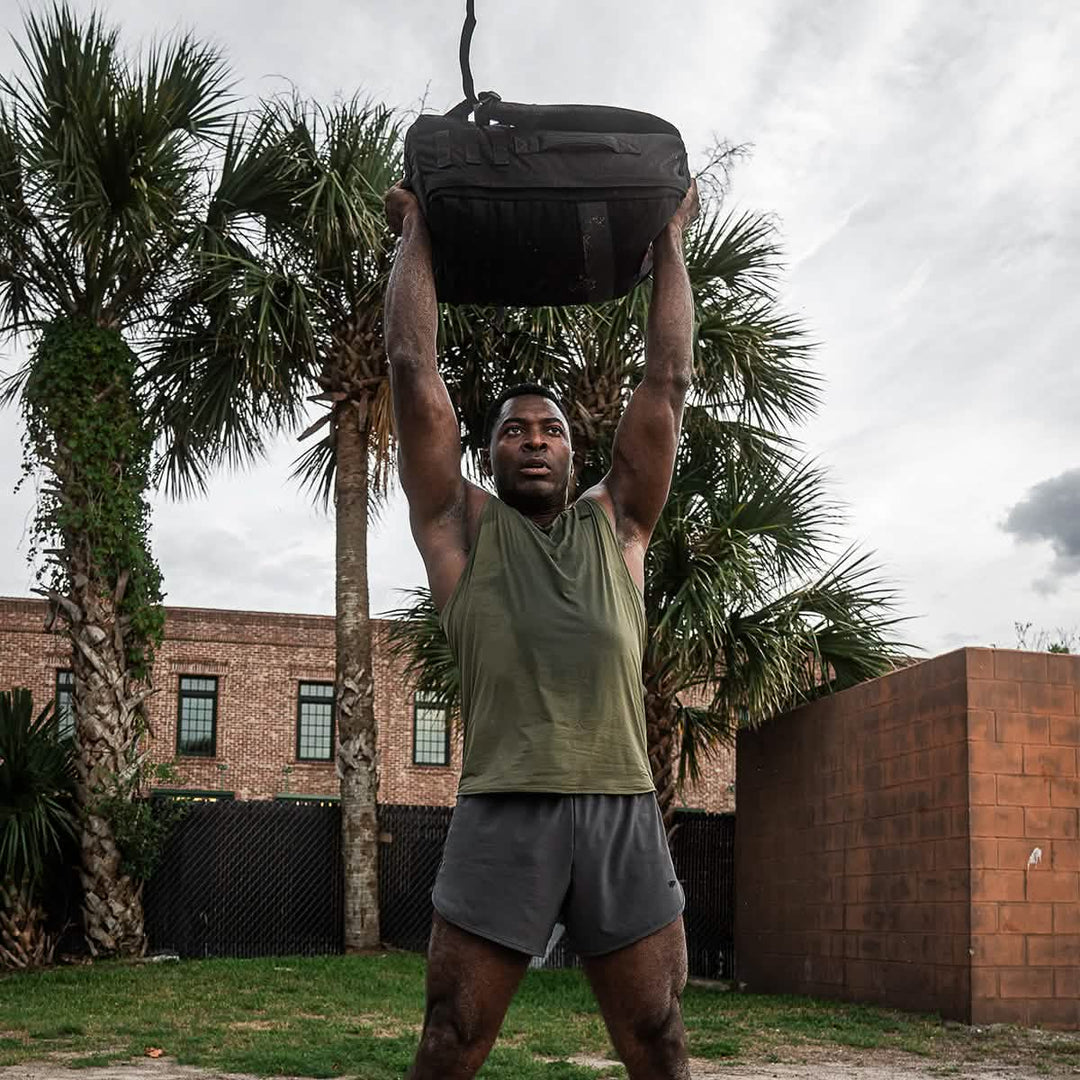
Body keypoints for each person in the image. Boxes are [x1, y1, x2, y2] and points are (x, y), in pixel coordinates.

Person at [384, 177, 700, 1080]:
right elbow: (414, 368)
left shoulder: (621, 524)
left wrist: (671, 239)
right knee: (450, 1038)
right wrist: (419, 232)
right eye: (515, 429)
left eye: (550, 429)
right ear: (488, 454)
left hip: (620, 809)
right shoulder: (459, 528)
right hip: (504, 808)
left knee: (660, 1040)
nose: (532, 438)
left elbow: (668, 380)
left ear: (573, 449)